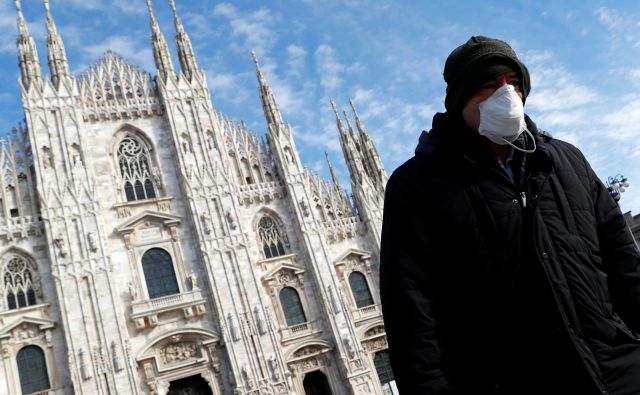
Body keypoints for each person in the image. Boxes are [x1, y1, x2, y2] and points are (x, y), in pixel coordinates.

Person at [379, 36, 640, 395]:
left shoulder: (565, 160)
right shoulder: (416, 187)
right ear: (459, 102)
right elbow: (414, 320)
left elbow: (626, 267)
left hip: (619, 372)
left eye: (513, 83)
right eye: (488, 86)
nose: (507, 96)